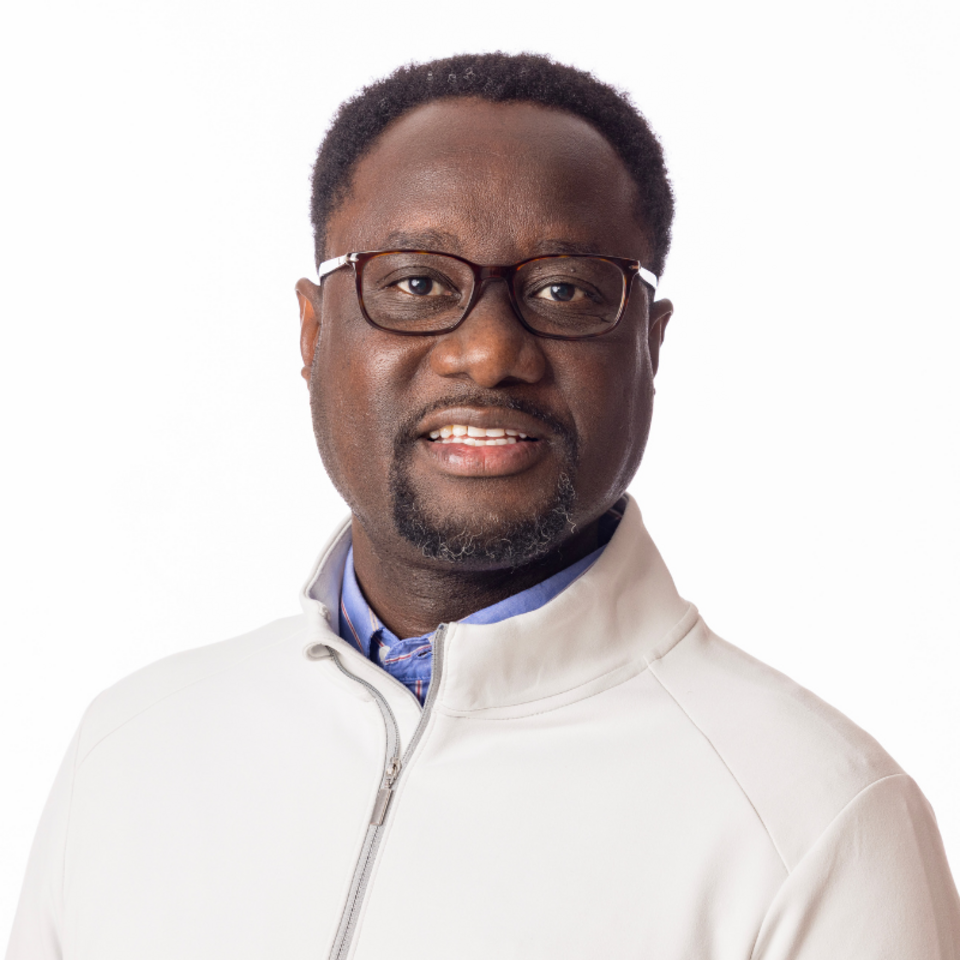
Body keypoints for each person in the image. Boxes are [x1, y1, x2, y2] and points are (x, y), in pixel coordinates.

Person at [7, 51, 959, 960]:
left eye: (565, 290)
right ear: (311, 329)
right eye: (415, 284)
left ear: (650, 346)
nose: (489, 352)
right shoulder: (132, 746)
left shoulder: (813, 819)